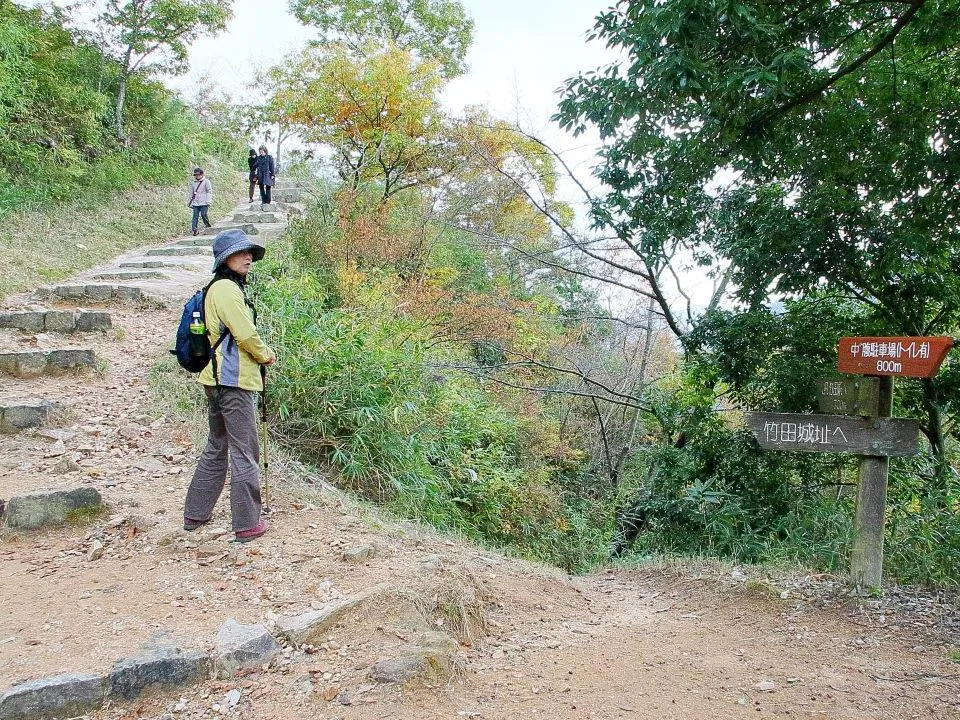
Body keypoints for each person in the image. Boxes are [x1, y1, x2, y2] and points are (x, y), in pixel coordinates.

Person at [183, 229, 276, 543]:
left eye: (249, 252)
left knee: (217, 445)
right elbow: (245, 334)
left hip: (215, 379)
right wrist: (266, 355)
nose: (248, 257)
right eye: (241, 253)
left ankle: (196, 513)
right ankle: (248, 523)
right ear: (226, 259)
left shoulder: (218, 288)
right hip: (232, 382)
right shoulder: (226, 289)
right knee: (244, 450)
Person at [187, 167, 213, 236]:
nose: (197, 176)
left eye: (198, 175)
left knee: (203, 214)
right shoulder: (193, 183)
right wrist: (190, 202)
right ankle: (194, 230)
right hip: (196, 202)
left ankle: (208, 226)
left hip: (204, 202)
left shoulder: (206, 181)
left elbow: (209, 191)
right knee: (195, 216)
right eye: (196, 175)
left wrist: (208, 201)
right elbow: (191, 193)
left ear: (202, 174)